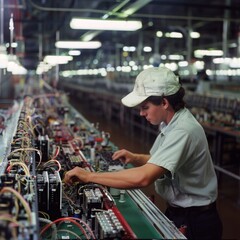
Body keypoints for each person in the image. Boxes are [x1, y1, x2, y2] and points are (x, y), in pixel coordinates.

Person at [64, 66, 222, 239]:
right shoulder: (171, 124)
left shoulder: (183, 130)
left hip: (196, 222)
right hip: (179, 213)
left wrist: (89, 176)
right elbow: (162, 161)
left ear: (164, 102)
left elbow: (144, 178)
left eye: (145, 107)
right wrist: (136, 157)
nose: (141, 113)